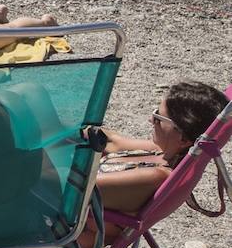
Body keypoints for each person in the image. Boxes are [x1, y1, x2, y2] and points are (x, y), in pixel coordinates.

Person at [94, 81, 228, 217]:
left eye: (158, 117)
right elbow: (112, 142)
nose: (150, 120)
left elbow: (77, 191)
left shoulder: (155, 176)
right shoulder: (164, 151)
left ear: (183, 139)